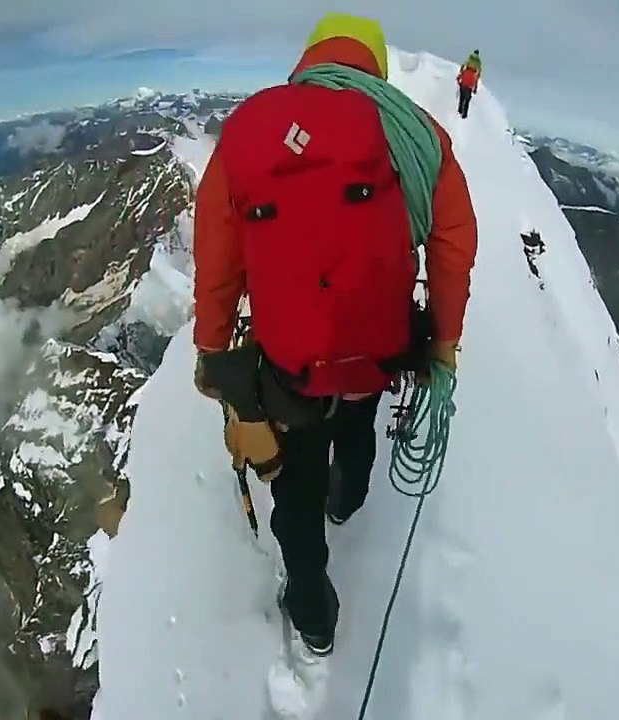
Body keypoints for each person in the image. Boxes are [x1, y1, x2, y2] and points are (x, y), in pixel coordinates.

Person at [190, 11, 478, 657]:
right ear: (373, 62)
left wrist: (213, 348)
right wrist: (443, 340)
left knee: (295, 476)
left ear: (310, 57)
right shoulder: (415, 132)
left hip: (286, 351)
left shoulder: (250, 129)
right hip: (376, 340)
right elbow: (453, 246)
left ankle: (313, 606)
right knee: (356, 422)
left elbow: (219, 251)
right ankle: (349, 500)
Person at [456, 50, 481, 119]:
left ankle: (460, 110)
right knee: (467, 98)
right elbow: (479, 73)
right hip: (472, 78)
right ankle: (465, 114)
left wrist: (460, 74)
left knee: (462, 96)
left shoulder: (470, 58)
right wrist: (475, 87)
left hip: (466, 75)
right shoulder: (478, 62)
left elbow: (463, 65)